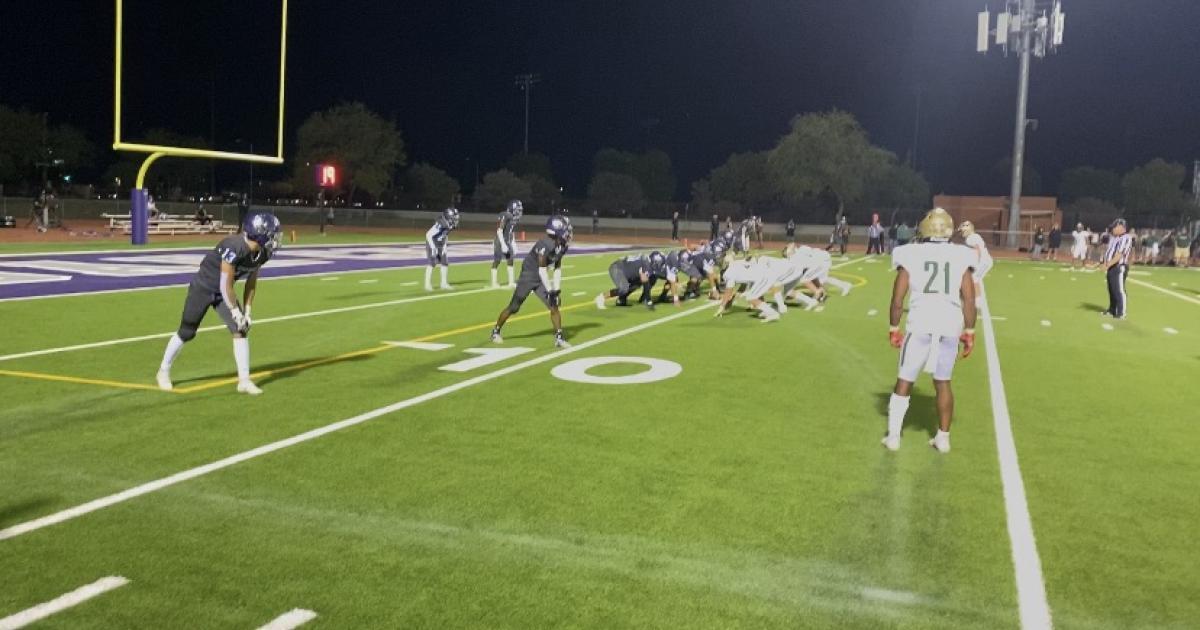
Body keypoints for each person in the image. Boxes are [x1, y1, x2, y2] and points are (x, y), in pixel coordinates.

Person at [156, 212, 282, 395]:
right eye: (272, 234)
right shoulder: (234, 246)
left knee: (240, 330)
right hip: (204, 287)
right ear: (259, 234)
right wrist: (235, 311)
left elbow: (251, 282)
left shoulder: (263, 253)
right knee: (186, 332)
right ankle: (163, 370)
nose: (275, 239)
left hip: (224, 292)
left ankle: (244, 381)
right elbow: (224, 284)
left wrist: (247, 311)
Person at [883, 207, 977, 454]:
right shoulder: (961, 254)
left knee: (905, 380)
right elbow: (969, 299)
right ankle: (943, 438)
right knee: (943, 382)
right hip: (949, 324)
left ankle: (893, 437)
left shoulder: (910, 253)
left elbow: (897, 299)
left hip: (921, 322)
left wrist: (893, 327)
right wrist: (970, 331)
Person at [491, 215, 574, 348]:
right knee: (514, 307)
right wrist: (550, 290)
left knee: (554, 305)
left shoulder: (562, 246)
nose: (568, 233)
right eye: (566, 229)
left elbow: (557, 267)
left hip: (541, 277)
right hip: (528, 276)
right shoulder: (545, 244)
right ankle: (495, 331)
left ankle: (559, 338)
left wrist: (556, 290)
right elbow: (542, 269)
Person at [711, 257, 784, 322]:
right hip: (765, 273)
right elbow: (744, 283)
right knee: (753, 292)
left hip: (763, 277)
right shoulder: (737, 264)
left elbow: (728, 292)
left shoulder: (728, 273)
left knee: (751, 297)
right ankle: (766, 310)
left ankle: (772, 313)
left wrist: (721, 307)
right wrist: (736, 295)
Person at [595, 251, 665, 311]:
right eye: (660, 263)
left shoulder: (646, 260)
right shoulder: (646, 264)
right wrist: (649, 301)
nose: (660, 265)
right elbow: (645, 282)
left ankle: (621, 300)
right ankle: (601, 297)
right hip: (617, 268)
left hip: (625, 271)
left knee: (636, 285)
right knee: (623, 289)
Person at [1101, 219, 1133, 319]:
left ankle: (1121, 313)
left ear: (1121, 227)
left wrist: (1107, 265)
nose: (1112, 229)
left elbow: (1119, 255)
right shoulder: (1115, 238)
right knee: (1111, 289)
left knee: (1119, 290)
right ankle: (1112, 310)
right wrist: (1104, 263)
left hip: (1119, 266)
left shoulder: (1126, 238)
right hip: (1111, 266)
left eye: (1114, 227)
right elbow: (1109, 252)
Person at [424, 207, 459, 291]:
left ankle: (444, 283)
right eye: (454, 217)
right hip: (432, 243)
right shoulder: (441, 223)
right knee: (432, 263)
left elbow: (445, 235)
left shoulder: (450, 224)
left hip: (440, 243)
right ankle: (427, 284)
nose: (456, 218)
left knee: (444, 263)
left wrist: (444, 246)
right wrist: (433, 247)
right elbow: (428, 234)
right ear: (448, 216)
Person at [958, 221, 993, 306]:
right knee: (975, 279)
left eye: (962, 230)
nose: (962, 232)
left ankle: (978, 302)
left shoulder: (971, 238)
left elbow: (977, 250)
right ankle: (979, 299)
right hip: (983, 262)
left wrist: (974, 263)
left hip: (983, 263)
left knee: (974, 278)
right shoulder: (974, 236)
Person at [491, 199, 523, 288]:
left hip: (507, 241)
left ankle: (511, 282)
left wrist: (513, 242)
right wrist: (503, 244)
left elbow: (511, 232)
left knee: (510, 260)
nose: (519, 211)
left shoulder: (513, 218)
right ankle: (493, 282)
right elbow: (499, 230)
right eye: (518, 209)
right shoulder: (505, 215)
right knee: (497, 261)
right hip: (500, 241)